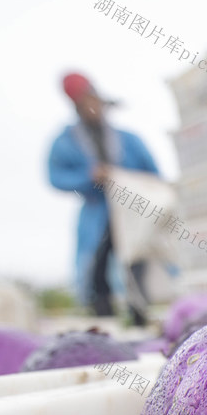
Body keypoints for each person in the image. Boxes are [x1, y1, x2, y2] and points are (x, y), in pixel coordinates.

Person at [48, 73, 161, 323]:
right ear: (77, 107)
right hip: (97, 214)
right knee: (97, 268)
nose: (92, 107)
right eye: (84, 102)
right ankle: (104, 318)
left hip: (132, 212)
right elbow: (55, 177)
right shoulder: (66, 142)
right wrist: (88, 177)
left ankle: (139, 316)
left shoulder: (129, 140)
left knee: (136, 261)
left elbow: (154, 176)